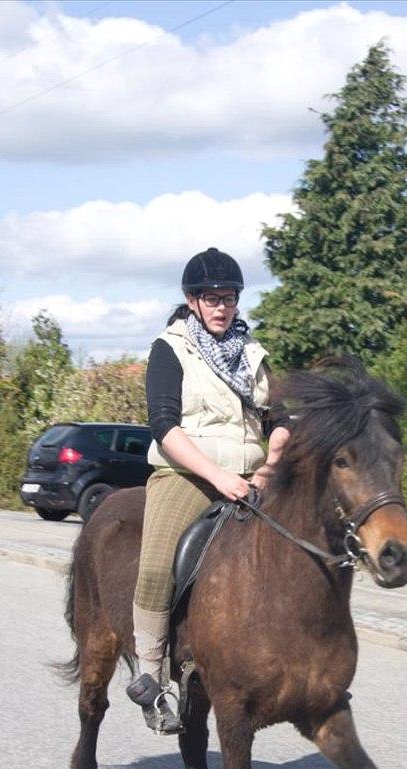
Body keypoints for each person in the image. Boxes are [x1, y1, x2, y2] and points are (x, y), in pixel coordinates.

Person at [126, 247, 290, 733]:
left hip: (252, 479)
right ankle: (152, 677)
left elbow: (279, 421)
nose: (222, 307)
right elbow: (164, 427)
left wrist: (269, 468)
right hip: (187, 475)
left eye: (230, 298)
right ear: (192, 300)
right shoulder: (170, 349)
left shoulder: (255, 354)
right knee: (157, 563)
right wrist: (218, 477)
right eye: (212, 298)